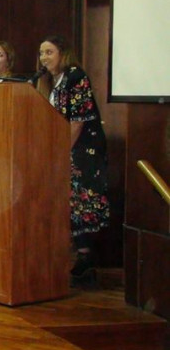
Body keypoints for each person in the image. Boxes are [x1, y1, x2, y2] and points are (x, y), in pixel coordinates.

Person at [37, 35, 109, 285]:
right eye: (41, 53)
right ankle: (76, 258)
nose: (44, 57)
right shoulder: (49, 81)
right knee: (64, 203)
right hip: (62, 148)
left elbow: (77, 121)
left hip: (82, 150)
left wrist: (59, 152)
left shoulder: (75, 76)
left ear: (62, 53)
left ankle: (86, 260)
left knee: (79, 202)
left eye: (49, 52)